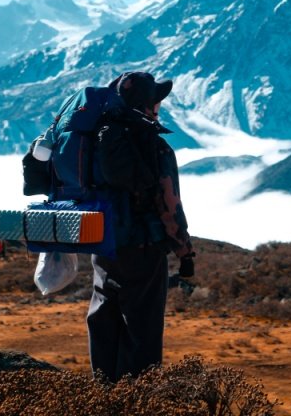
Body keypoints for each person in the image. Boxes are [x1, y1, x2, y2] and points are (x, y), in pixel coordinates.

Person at [86, 71, 195, 381]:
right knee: (142, 329)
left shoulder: (99, 140)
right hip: (144, 250)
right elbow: (169, 206)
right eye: (155, 100)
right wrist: (184, 253)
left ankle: (103, 394)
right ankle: (138, 400)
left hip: (103, 246)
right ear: (147, 105)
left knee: (104, 317)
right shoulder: (154, 147)